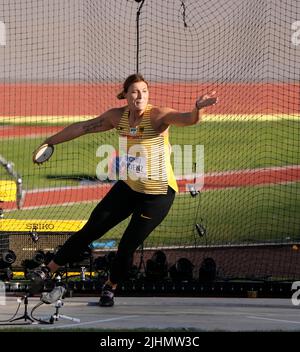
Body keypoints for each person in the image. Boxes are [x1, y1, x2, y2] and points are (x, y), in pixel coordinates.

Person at [30, 73, 218, 306]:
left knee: (127, 246)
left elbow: (188, 119)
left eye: (144, 91)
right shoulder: (116, 117)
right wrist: (49, 142)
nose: (140, 96)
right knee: (91, 229)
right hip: (128, 187)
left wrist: (198, 108)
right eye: (135, 92)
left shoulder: (158, 115)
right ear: (126, 95)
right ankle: (47, 270)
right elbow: (82, 127)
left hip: (157, 194)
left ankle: (110, 287)